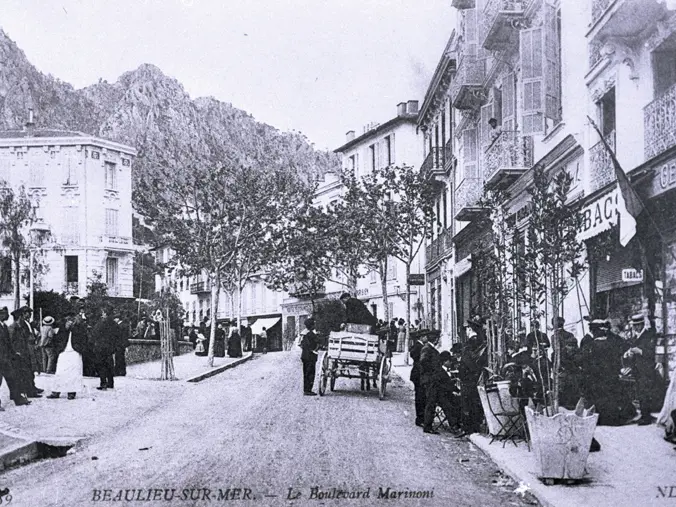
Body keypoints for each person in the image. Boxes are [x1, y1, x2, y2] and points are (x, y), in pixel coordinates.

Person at [419, 333, 458, 435]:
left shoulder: (430, 349)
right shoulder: (427, 349)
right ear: (436, 340)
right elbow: (423, 362)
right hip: (431, 381)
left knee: (442, 402)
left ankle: (454, 425)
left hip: (434, 381)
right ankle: (427, 426)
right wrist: (432, 373)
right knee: (431, 403)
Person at [625, 313, 659, 425]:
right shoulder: (636, 336)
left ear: (642, 324)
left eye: (637, 325)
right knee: (640, 393)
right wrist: (630, 354)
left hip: (646, 369)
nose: (636, 327)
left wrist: (639, 351)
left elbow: (651, 353)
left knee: (645, 393)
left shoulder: (648, 335)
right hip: (638, 369)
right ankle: (644, 415)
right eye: (634, 326)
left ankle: (647, 417)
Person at [47, 312, 87, 400]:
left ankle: (71, 392)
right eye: (68, 319)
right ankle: (56, 391)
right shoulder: (62, 327)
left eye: (72, 319)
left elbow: (84, 338)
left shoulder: (80, 327)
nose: (70, 321)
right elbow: (57, 338)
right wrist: (65, 329)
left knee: (74, 373)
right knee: (60, 372)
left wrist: (73, 329)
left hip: (75, 351)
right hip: (63, 351)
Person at [9, 306, 42, 398]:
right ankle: (27, 391)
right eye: (27, 313)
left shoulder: (23, 325)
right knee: (23, 372)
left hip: (26, 351)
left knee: (29, 370)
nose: (29, 314)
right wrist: (15, 352)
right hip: (20, 352)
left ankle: (30, 389)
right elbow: (11, 341)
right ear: (21, 315)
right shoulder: (14, 327)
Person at [0, 307, 30, 407]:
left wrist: (14, 353)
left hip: (6, 359)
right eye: (4, 313)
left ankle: (18, 399)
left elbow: (8, 344)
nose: (6, 315)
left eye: (6, 313)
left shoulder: (4, 326)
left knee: (13, 379)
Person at [551, 316, 581, 409]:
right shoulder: (570, 334)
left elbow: (556, 352)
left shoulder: (554, 336)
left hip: (562, 366)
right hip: (572, 367)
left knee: (562, 390)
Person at [92, 307, 116, 390]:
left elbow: (94, 333)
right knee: (109, 365)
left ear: (105, 313)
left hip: (100, 347)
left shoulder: (101, 323)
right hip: (110, 347)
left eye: (103, 312)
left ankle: (103, 383)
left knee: (101, 365)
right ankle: (110, 383)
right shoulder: (114, 323)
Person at [409, 331, 428, 427]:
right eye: (425, 336)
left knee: (420, 396)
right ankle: (420, 418)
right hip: (418, 375)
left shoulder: (418, 346)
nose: (427, 338)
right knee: (420, 397)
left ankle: (421, 418)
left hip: (417, 374)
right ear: (421, 337)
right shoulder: (419, 347)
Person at [300, 318, 319, 396]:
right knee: (311, 373)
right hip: (310, 356)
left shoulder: (304, 334)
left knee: (306, 373)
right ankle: (308, 390)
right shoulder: (311, 335)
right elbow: (318, 342)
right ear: (311, 326)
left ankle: (306, 389)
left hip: (304, 356)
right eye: (313, 324)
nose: (314, 326)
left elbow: (301, 344)